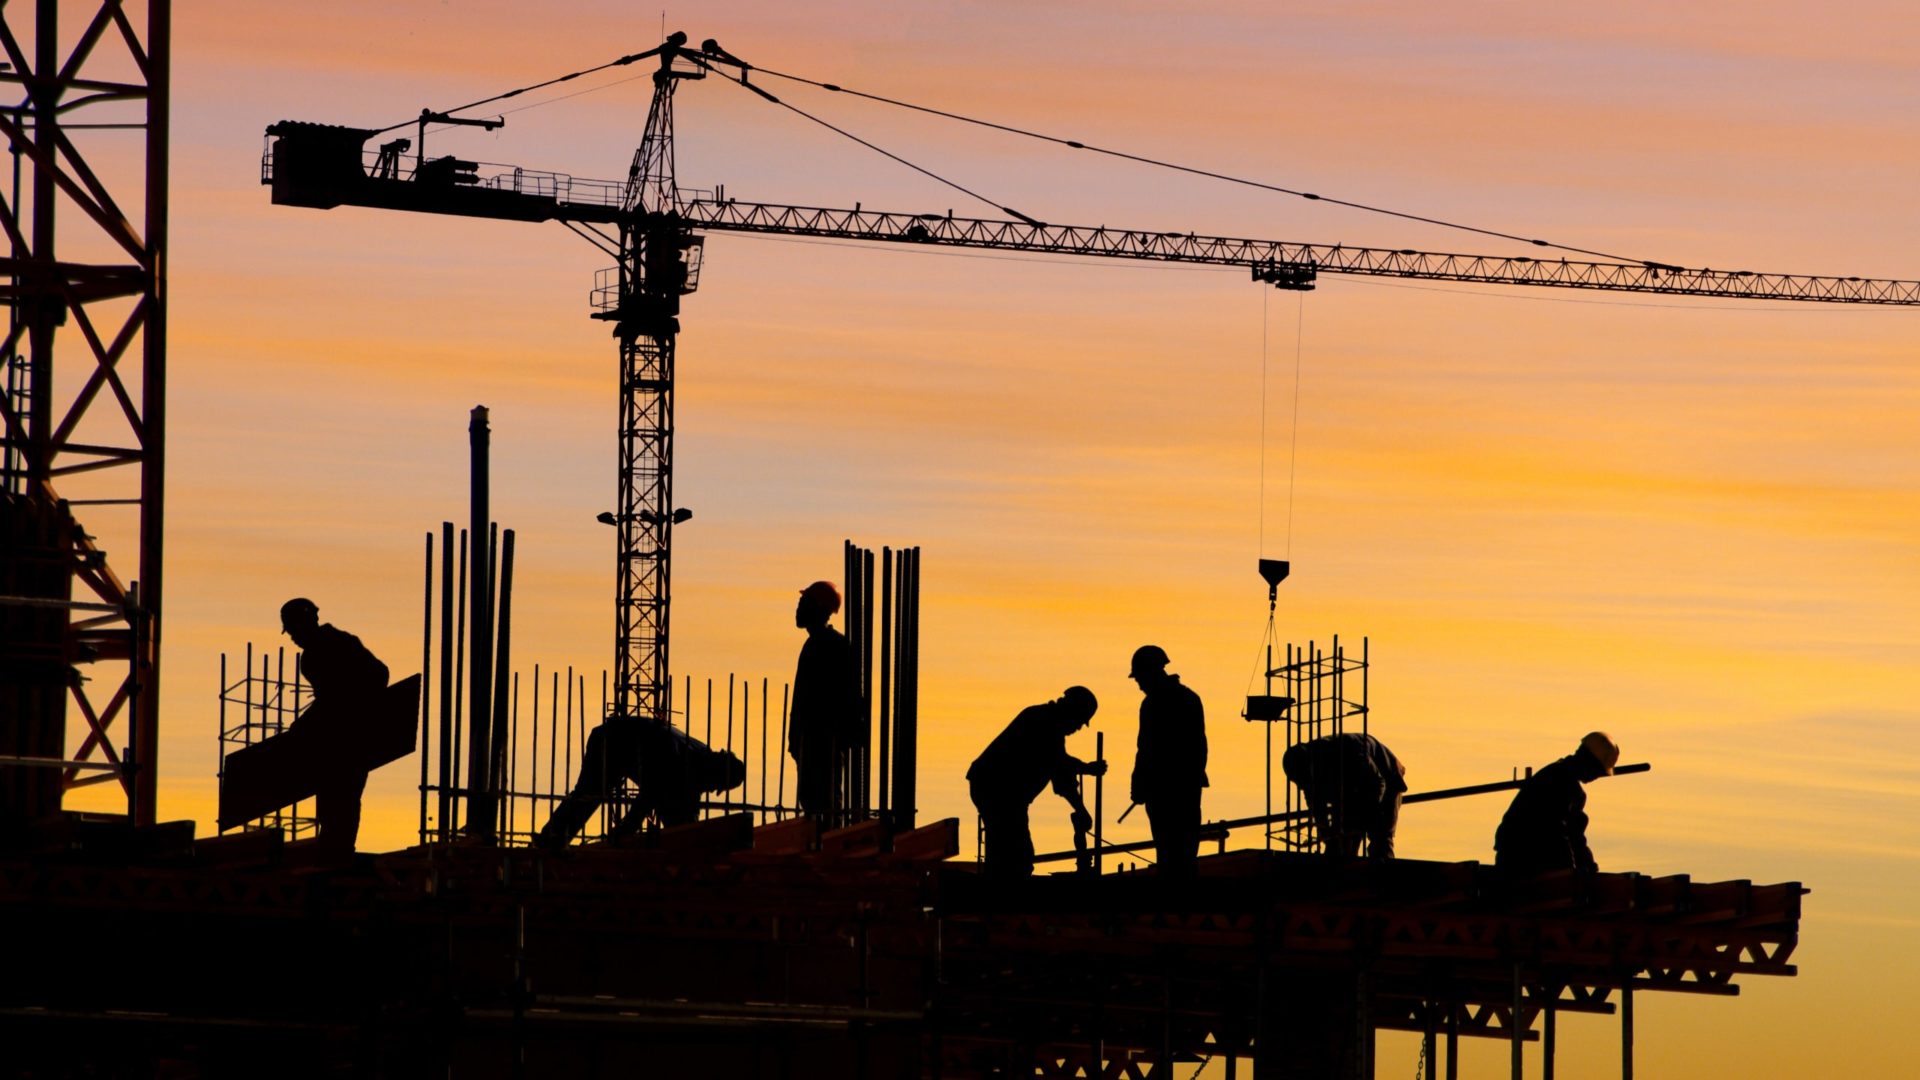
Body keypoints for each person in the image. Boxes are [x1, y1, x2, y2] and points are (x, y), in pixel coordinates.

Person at [280, 597, 389, 855]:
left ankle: (336, 855)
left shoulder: (333, 647)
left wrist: (357, 706)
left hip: (348, 739)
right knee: (338, 801)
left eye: (294, 631)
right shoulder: (329, 648)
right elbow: (330, 700)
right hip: (339, 741)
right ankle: (336, 852)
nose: (293, 638)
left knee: (341, 799)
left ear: (306, 623)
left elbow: (336, 697)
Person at [536, 715, 746, 849]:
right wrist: (625, 831)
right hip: (613, 742)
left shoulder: (698, 759)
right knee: (592, 792)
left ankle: (552, 839)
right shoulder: (679, 762)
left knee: (677, 816)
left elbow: (688, 801)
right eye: (717, 786)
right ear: (716, 776)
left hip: (631, 742)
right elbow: (649, 797)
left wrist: (689, 833)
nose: (712, 790)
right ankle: (551, 841)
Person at [966, 687, 1106, 879]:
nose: (1078, 728)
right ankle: (1001, 894)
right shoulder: (1042, 722)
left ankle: (1000, 887)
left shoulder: (1048, 725)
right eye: (1080, 722)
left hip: (1003, 793)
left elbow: (1060, 774)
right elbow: (1058, 766)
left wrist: (1081, 802)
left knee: (1010, 850)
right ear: (1072, 711)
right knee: (1015, 852)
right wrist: (1085, 775)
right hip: (997, 790)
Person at [1127, 645, 1207, 875]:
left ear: (1150, 673)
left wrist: (1139, 783)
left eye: (1139, 678)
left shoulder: (1153, 703)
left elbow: (1147, 748)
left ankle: (1173, 893)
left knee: (1168, 849)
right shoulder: (1190, 698)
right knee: (1186, 849)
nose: (1139, 684)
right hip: (1187, 784)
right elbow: (1199, 746)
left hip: (1163, 787)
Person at [1494, 732, 1621, 874]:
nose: (1595, 777)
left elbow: (1575, 836)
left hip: (1515, 856)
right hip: (1523, 860)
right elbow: (1555, 830)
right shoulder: (1562, 782)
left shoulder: (1557, 776)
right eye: (1597, 772)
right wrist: (1570, 870)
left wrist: (1588, 866)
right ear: (1590, 764)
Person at [788, 581, 856, 824]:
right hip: (811, 743)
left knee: (824, 807)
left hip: (824, 742)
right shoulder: (815, 645)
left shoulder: (833, 646)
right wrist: (796, 740)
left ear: (819, 608)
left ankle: (826, 851)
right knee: (813, 805)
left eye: (803, 603)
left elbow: (846, 698)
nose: (798, 609)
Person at [1281, 732, 1407, 859]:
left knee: (1380, 835)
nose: (1300, 786)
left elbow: (1378, 783)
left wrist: (1369, 813)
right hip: (1350, 789)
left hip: (1388, 777)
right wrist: (1324, 830)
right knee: (1341, 839)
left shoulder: (1352, 752)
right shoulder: (1308, 769)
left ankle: (1383, 871)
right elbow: (1315, 803)